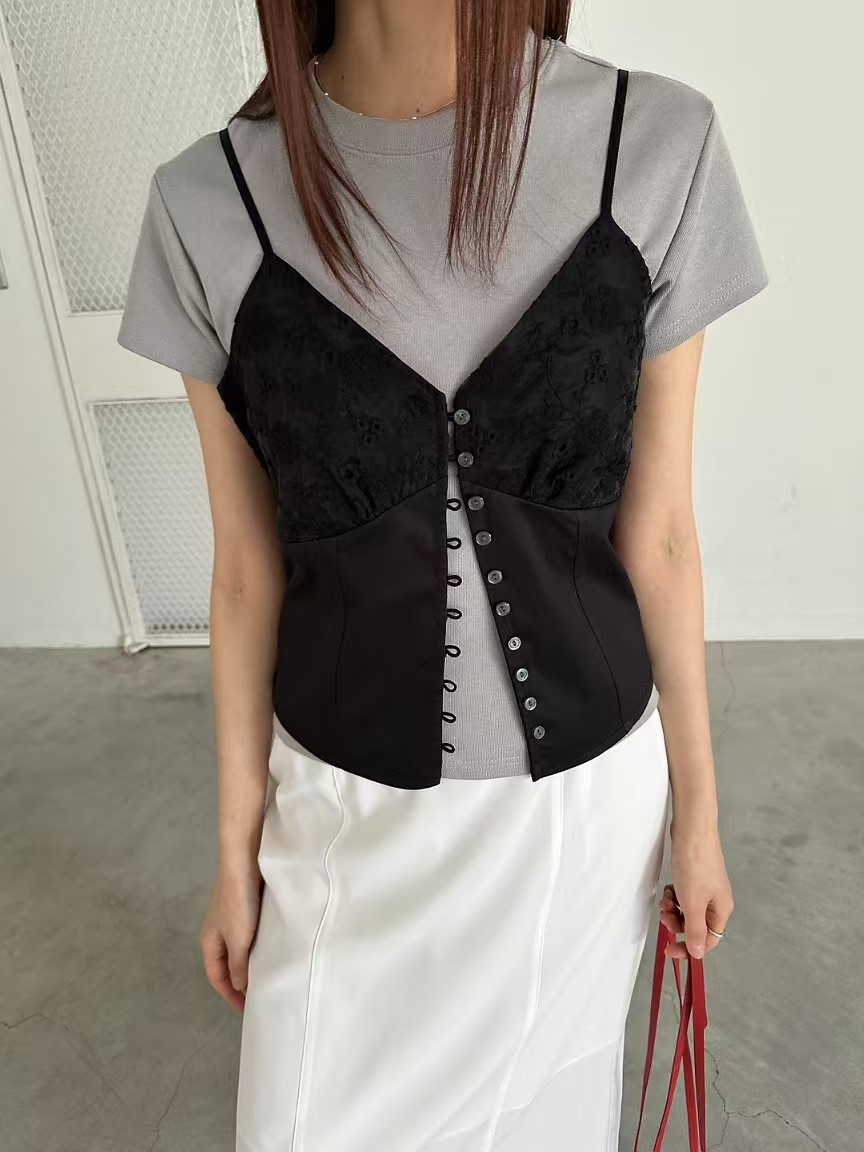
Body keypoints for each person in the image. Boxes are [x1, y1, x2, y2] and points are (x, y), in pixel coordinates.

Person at [117, 4, 769, 1149]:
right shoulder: (205, 201)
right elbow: (244, 572)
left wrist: (699, 818)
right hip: (343, 819)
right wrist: (235, 856)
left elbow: (662, 532)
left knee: (546, 1117)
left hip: (580, 819)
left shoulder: (655, 142)